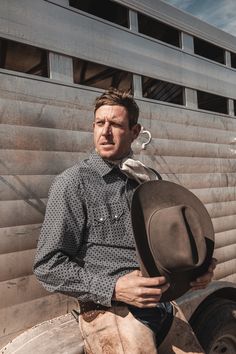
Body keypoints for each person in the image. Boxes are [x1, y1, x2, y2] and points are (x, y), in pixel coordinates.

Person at [34, 88, 216, 354]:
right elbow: (47, 266)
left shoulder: (146, 178)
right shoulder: (73, 183)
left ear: (134, 131)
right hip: (110, 312)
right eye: (99, 123)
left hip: (163, 306)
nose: (105, 132)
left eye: (116, 124)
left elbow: (167, 244)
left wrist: (200, 269)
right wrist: (115, 288)